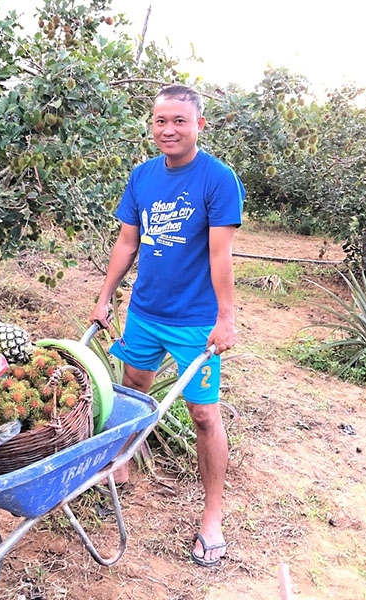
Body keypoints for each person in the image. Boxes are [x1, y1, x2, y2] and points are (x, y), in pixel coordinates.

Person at [89, 84, 244, 568]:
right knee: (133, 389)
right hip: (145, 312)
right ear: (151, 125)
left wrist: (225, 318)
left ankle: (212, 515)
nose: (168, 129)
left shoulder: (218, 180)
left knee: (203, 415)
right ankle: (124, 464)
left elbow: (221, 255)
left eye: (179, 120)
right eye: (160, 121)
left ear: (199, 124)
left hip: (194, 322)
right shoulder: (142, 177)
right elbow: (126, 243)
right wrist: (103, 296)